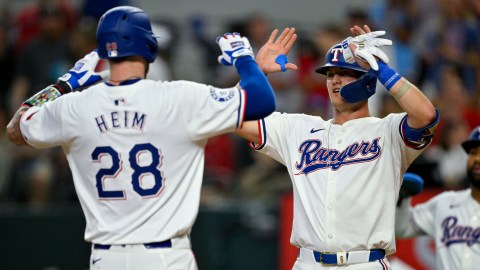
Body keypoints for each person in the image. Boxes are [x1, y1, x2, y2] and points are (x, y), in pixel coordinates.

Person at [6, 6, 297, 269]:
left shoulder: (74, 107)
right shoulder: (179, 97)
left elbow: (17, 127)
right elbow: (260, 100)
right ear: (150, 46)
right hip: (166, 257)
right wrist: (245, 60)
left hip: (106, 258)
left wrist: (64, 84)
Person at [234, 25, 439, 269]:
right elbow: (231, 117)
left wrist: (382, 70)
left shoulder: (388, 131)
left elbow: (426, 115)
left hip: (365, 262)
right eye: (330, 74)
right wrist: (255, 74)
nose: (335, 80)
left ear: (367, 80)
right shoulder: (298, 128)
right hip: (308, 262)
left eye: (345, 72)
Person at [395, 126, 480, 270]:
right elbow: (401, 228)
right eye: (473, 153)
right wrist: (403, 197)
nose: (477, 158)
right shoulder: (445, 202)